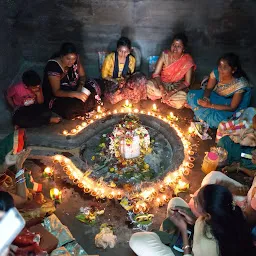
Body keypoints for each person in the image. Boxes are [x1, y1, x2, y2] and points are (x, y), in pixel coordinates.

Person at [130, 184, 256, 256]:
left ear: (208, 214)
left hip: (190, 252)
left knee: (137, 240)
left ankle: (168, 238)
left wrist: (184, 231)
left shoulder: (208, 246)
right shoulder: (228, 214)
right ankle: (169, 234)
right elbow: (208, 226)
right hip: (198, 237)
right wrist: (193, 221)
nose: (193, 197)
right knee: (175, 202)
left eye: (196, 201)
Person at [187, 53, 251, 128]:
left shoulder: (240, 85)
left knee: (218, 121)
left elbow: (232, 107)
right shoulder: (216, 73)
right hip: (215, 96)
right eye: (220, 66)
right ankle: (202, 116)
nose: (221, 70)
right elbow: (209, 88)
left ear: (233, 70)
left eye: (225, 67)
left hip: (228, 103)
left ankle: (201, 116)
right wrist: (205, 98)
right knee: (191, 96)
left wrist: (210, 105)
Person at [42, 42, 100, 120]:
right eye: (68, 59)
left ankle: (84, 106)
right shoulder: (53, 68)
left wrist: (80, 87)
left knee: (91, 90)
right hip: (58, 95)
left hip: (73, 88)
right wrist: (75, 94)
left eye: (73, 59)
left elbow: (82, 76)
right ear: (62, 56)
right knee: (70, 109)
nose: (71, 62)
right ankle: (83, 108)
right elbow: (56, 92)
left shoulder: (75, 60)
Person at [147, 33, 196, 109]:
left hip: (176, 87)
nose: (175, 48)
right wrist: (162, 88)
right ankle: (164, 96)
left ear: (183, 48)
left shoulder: (188, 60)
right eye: (173, 45)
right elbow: (156, 74)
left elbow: (187, 82)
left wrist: (172, 92)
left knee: (183, 98)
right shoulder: (164, 55)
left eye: (178, 46)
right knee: (148, 85)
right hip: (162, 84)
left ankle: (166, 98)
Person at [102, 36, 147, 104]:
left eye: (125, 52)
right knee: (113, 95)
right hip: (112, 82)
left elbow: (130, 75)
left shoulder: (131, 59)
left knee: (141, 78)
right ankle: (124, 95)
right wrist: (116, 81)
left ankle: (126, 95)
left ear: (129, 51)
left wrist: (124, 80)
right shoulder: (110, 58)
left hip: (124, 82)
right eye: (120, 51)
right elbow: (104, 76)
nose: (123, 54)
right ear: (117, 50)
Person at [216, 107, 256, 174]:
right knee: (224, 142)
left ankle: (235, 162)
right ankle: (225, 159)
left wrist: (238, 168)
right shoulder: (250, 129)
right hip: (245, 150)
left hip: (249, 158)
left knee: (249, 162)